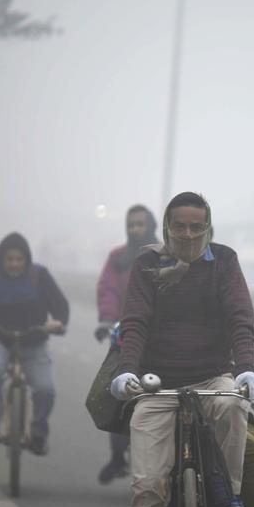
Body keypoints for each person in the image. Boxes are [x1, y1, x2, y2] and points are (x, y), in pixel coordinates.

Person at [111, 192, 254, 507]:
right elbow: (135, 321)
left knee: (234, 404)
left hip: (213, 377)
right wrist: (127, 370)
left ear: (208, 228)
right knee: (148, 489)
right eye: (180, 227)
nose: (188, 234)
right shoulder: (147, 263)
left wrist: (246, 369)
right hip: (156, 386)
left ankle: (229, 497)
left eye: (196, 227)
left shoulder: (224, 261)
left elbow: (240, 316)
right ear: (167, 227)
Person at [0, 232, 69, 456]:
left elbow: (60, 304)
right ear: (1, 259)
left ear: (26, 259)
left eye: (19, 259)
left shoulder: (40, 276)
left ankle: (38, 433)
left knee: (45, 389)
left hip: (34, 341)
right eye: (9, 259)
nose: (14, 264)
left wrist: (58, 322)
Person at [95, 204, 159, 484]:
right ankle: (117, 456)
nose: (135, 229)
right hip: (125, 336)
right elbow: (107, 289)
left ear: (152, 225)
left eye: (140, 224)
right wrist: (107, 319)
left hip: (164, 338)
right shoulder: (117, 257)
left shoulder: (166, 255)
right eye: (131, 224)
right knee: (114, 393)